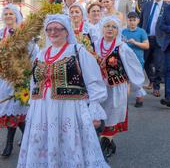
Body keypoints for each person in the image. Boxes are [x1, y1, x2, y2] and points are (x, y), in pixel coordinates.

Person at [17, 14, 110, 168]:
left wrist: (95, 111)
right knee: (44, 143)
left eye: (57, 29)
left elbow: (94, 82)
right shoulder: (41, 54)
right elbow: (34, 83)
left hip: (70, 108)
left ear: (66, 31)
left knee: (69, 143)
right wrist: (32, 109)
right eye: (49, 29)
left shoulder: (77, 51)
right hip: (42, 110)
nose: (53, 32)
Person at [0, 4, 38, 157]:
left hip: (21, 78)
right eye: (5, 14)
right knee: (11, 112)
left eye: (11, 14)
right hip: (3, 81)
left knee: (17, 111)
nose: (8, 17)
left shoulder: (24, 34)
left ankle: (10, 144)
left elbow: (34, 54)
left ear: (17, 16)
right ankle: (29, 139)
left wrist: (30, 72)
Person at [94, 16, 145, 159]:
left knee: (112, 115)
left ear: (118, 31)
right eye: (107, 26)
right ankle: (110, 144)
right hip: (98, 88)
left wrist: (137, 88)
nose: (110, 29)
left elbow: (133, 68)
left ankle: (102, 150)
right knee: (99, 116)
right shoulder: (94, 45)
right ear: (102, 28)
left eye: (114, 27)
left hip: (117, 88)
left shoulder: (122, 47)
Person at [139, 0, 168, 97]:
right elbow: (141, 21)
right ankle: (151, 79)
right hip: (146, 38)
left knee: (158, 64)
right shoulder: (147, 5)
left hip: (160, 39)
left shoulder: (167, 7)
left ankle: (156, 87)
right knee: (145, 62)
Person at [122, 12, 149, 107]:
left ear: (138, 21)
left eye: (134, 20)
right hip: (125, 60)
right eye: (130, 20)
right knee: (126, 80)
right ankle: (124, 100)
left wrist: (135, 42)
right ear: (127, 21)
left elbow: (146, 45)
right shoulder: (123, 31)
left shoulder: (142, 32)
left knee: (137, 80)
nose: (132, 22)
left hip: (138, 60)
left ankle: (139, 99)